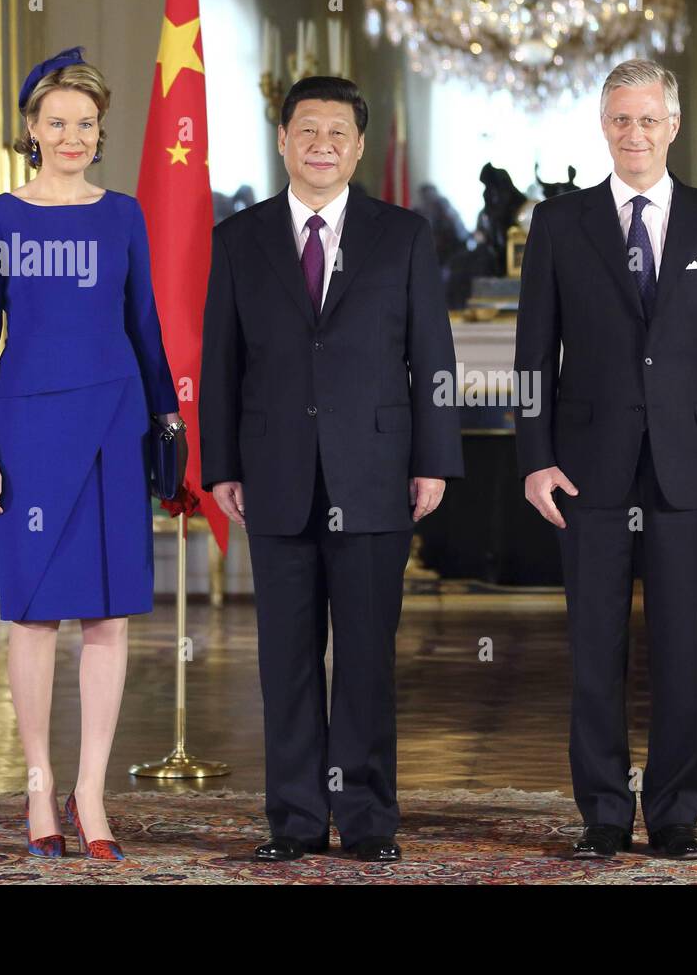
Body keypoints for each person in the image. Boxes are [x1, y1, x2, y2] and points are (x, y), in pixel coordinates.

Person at [200, 76, 464, 863]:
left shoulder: (404, 235)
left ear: (358, 147)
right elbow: (220, 363)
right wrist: (221, 466)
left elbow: (433, 358)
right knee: (284, 659)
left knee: (366, 661)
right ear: (282, 141)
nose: (322, 143)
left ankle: (371, 819)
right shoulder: (238, 238)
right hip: (273, 473)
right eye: (306, 129)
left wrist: (435, 459)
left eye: (338, 132)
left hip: (377, 474)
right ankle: (295, 819)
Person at [513, 59, 697, 860]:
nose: (635, 134)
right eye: (621, 119)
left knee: (683, 644)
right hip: (587, 465)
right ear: (603, 126)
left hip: (692, 463)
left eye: (650, 119)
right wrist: (534, 457)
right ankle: (605, 813)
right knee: (595, 646)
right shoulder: (559, 223)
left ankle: (678, 812)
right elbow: (530, 356)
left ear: (674, 127)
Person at [0, 47, 181, 860]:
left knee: (108, 612)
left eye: (85, 123)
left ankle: (91, 791)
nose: (72, 135)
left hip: (116, 424)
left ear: (99, 131)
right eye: (57, 122)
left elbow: (146, 330)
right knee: (33, 612)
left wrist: (168, 424)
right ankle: (38, 782)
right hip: (25, 430)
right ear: (31, 128)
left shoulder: (123, 214)